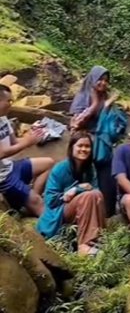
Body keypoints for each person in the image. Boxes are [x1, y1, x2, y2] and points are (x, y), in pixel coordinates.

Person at [37, 132, 105, 255]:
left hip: (83, 207)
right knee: (89, 196)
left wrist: (77, 190)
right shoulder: (60, 169)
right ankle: (84, 245)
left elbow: (96, 190)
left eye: (87, 146)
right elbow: (51, 201)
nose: (84, 149)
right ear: (72, 147)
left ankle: (97, 240)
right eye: (80, 146)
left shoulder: (90, 168)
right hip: (59, 211)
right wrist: (77, 189)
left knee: (97, 195)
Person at [70, 65, 123, 217]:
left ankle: (108, 215)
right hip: (85, 146)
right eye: (100, 79)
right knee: (85, 181)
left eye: (106, 80)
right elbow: (75, 123)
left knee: (108, 180)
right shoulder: (83, 96)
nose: (103, 83)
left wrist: (108, 107)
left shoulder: (106, 98)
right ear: (93, 78)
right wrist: (94, 105)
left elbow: (113, 121)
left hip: (103, 145)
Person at [0, 84, 53, 215]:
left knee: (48, 163)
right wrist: (27, 142)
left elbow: (15, 142)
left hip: (10, 166)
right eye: (8, 101)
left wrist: (32, 136)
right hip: (2, 178)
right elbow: (2, 153)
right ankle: (49, 230)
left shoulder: (3, 119)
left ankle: (30, 200)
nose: (11, 104)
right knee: (38, 202)